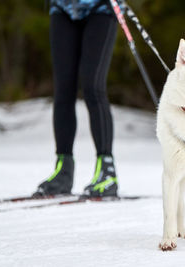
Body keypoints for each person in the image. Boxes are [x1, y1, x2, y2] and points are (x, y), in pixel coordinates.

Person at [33, 0, 126, 197]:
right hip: (63, 9)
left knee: (93, 86)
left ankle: (107, 170)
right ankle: (63, 170)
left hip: (101, 8)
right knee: (63, 90)